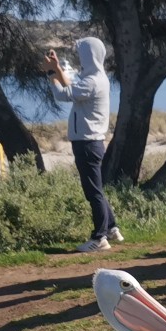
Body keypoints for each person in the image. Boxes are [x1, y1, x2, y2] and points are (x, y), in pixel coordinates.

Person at [43, 37, 121, 253]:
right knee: (97, 188)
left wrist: (50, 73)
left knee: (92, 192)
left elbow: (61, 94)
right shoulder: (97, 78)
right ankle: (112, 228)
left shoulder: (91, 81)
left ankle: (100, 238)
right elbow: (71, 89)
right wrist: (58, 68)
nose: (80, 58)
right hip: (93, 142)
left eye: (81, 54)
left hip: (86, 143)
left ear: (88, 56)